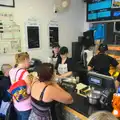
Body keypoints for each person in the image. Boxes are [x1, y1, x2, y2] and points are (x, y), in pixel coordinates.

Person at [9, 52, 32, 120]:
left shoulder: (11, 70)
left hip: (16, 101)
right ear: (25, 59)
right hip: (25, 105)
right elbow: (28, 91)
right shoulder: (25, 74)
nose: (29, 62)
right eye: (29, 60)